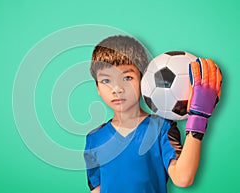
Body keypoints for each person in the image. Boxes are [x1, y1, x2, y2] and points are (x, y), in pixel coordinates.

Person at [83, 35, 222, 193]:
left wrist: (198, 119)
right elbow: (97, 188)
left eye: (127, 77)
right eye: (106, 81)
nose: (117, 89)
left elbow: (183, 178)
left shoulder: (162, 127)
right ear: (97, 88)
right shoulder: (94, 138)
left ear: (143, 80)